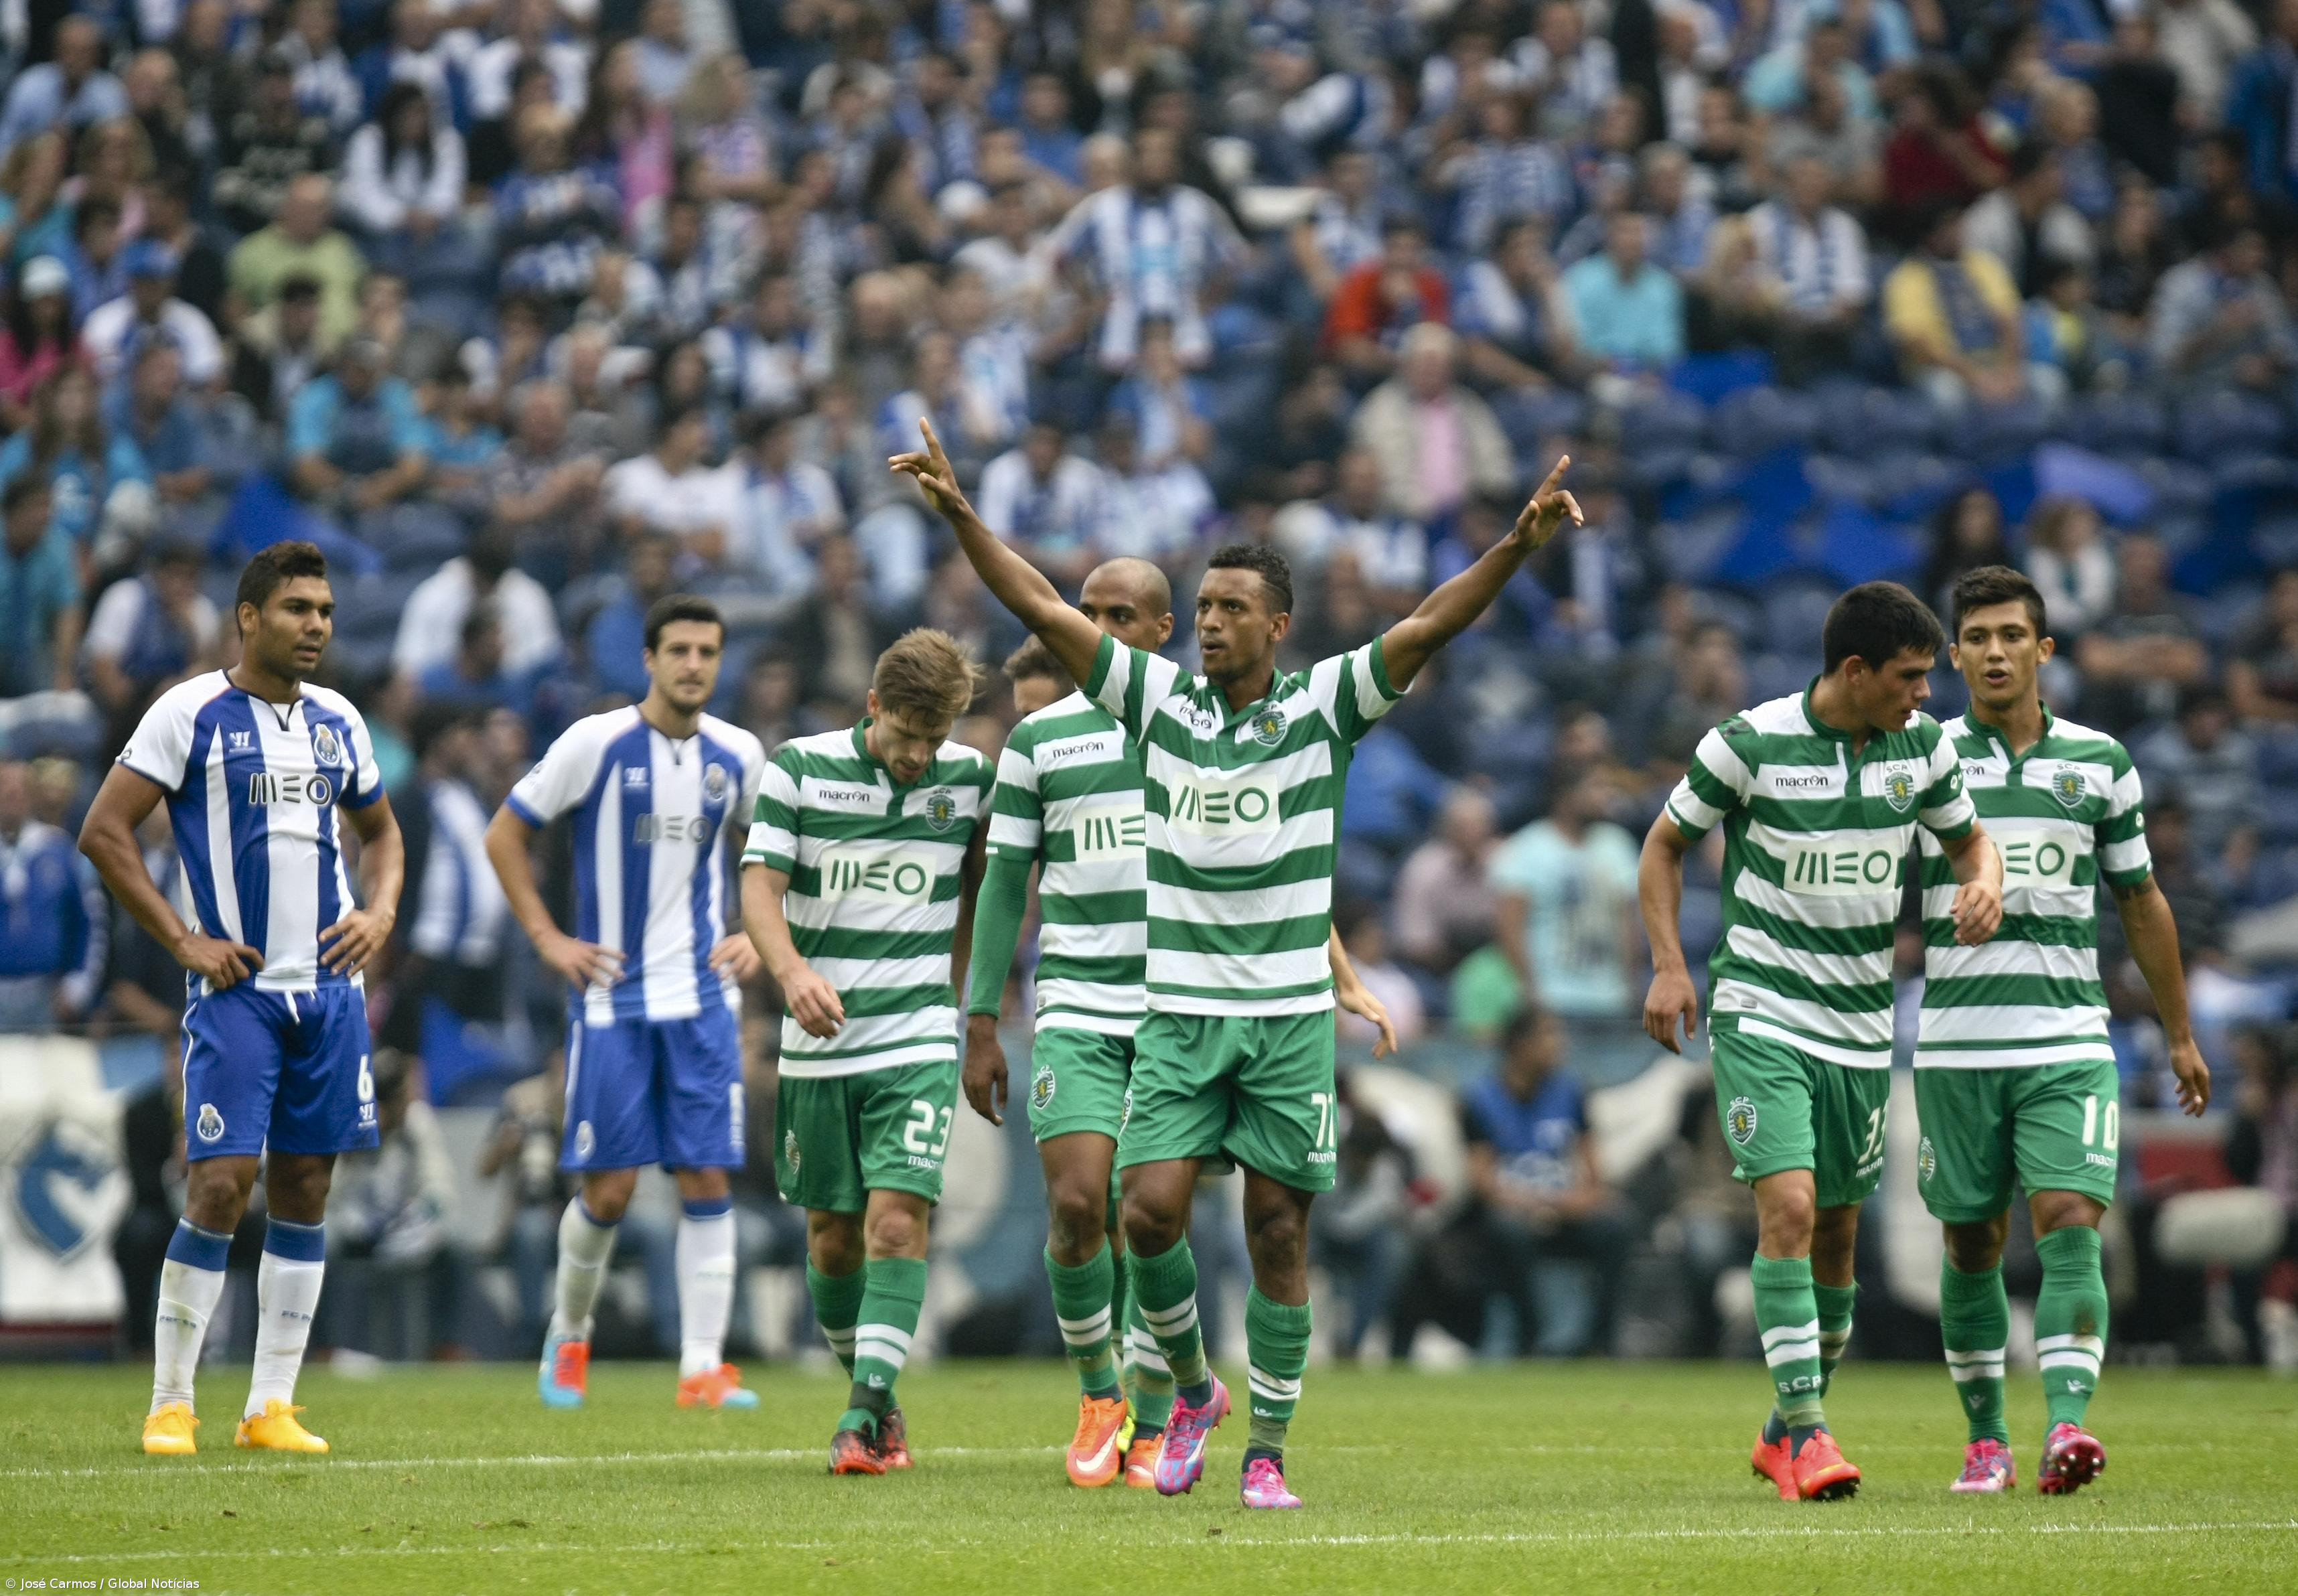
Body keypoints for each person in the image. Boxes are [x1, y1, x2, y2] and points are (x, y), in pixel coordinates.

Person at [893, 415, 1581, 1508]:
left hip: (1286, 1024)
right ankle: (1196, 1387)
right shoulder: (1155, 705)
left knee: (1275, 1228)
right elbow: (1035, 605)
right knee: (1147, 1212)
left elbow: (1432, 622)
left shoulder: (1325, 707)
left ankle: (1267, 1450)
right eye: (1202, 607)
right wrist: (959, 508)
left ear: (1278, 625)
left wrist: (1517, 543)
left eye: (1229, 610)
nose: (1208, 624)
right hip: (1177, 1016)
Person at [962, 589, 1396, 1490]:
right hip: (1083, 1001)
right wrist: (979, 1012)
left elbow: (1267, 874)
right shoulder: (1044, 739)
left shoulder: (1197, 730)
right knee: (1086, 1203)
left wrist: (1342, 971)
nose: (1098, 627)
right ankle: (1102, 1395)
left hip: (1187, 1003)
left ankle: (1165, 1412)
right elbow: (1005, 881)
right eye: (1087, 610)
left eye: (1122, 613)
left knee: (1164, 1215)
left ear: (1162, 633)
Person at [1639, 580, 2003, 1504]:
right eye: (1911, 676)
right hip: (1762, 1008)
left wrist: (1984, 881)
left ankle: (1778, 1428)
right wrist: (1669, 966)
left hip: (1859, 1027)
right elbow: (1662, 846)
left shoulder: (1919, 750)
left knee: (1837, 1237)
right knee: (1791, 1210)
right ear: (1853, 669)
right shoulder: (1747, 742)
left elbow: (1969, 844)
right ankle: (1808, 1433)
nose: (1926, 695)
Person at [78, 541, 405, 1457]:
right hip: (237, 995)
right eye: (299, 608)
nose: (318, 625)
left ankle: (270, 1405)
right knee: (221, 1182)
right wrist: (183, 939)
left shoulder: (340, 719)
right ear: (249, 616)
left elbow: (383, 831)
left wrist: (380, 912)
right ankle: (171, 1400)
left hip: (331, 995)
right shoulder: (188, 712)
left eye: (328, 611)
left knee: (306, 1187)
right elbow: (104, 831)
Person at [1918, 565, 2210, 1495]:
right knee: (1968, 1241)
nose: (1995, 651)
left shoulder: (2100, 762)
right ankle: (1983, 1442)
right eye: (1977, 637)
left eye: (2012, 634)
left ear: (2043, 650)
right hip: (1957, 1043)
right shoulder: (1917, 755)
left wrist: (2176, 1032)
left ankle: (2066, 1426)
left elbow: (2139, 898)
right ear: (1954, 654)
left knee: (2069, 1220)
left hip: (2064, 1037)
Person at [484, 595, 768, 1410]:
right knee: (608, 1192)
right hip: (613, 1002)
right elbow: (506, 834)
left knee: (708, 1176)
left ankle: (703, 1368)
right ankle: (569, 1335)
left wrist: (757, 931)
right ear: (647, 659)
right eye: (677, 649)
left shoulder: (741, 755)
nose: (692, 664)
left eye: (706, 651)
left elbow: (783, 854)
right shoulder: (594, 742)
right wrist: (548, 939)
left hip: (705, 1000)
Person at [737, 628, 994, 1475]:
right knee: (832, 1243)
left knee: (896, 1223)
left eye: (936, 737)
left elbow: (983, 891)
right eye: (906, 734)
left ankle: (855, 1417)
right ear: (873, 705)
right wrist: (790, 971)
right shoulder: (800, 769)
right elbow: (760, 890)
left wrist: (960, 996)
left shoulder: (968, 780)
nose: (920, 755)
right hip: (819, 1040)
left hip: (914, 1035)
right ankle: (881, 1395)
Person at [1461, 1005, 1636, 1354]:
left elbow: (1592, 1172)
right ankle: (1532, 1334)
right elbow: (1483, 1184)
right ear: (1520, 1045)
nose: (1559, 1045)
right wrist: (1533, 1205)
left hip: (1565, 1207)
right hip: (1513, 1210)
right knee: (1506, 1232)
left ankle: (1599, 1340)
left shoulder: (1571, 1092)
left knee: (1618, 1225)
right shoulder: (1480, 1098)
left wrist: (1575, 1202)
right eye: (1549, 1036)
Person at [1492, 770, 1645, 1081]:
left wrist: (1631, 984)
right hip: (1555, 999)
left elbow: (1630, 921)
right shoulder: (1528, 848)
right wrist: (1531, 990)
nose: (1605, 797)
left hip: (1609, 999)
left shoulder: (1617, 845)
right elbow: (1509, 926)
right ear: (1566, 796)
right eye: (1595, 788)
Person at [0, 759, 106, 1033]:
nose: (13, 794)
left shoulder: (59, 848)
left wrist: (80, 985)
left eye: (21, 786)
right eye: (4, 785)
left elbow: (90, 920)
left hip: (46, 991)